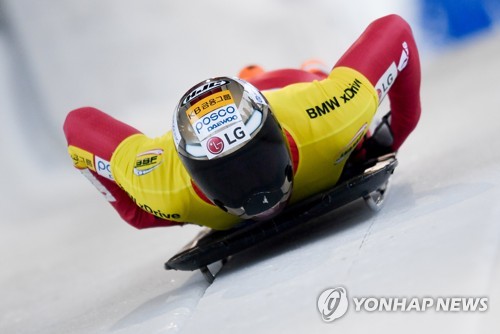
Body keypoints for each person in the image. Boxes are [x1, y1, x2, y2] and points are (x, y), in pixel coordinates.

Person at [63, 14, 421, 230]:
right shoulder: (160, 183)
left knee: (311, 72)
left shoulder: (332, 113)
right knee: (269, 74)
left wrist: (150, 214)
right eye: (226, 177)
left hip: (296, 87)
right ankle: (259, 74)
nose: (256, 195)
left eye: (258, 161)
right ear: (191, 170)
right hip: (293, 107)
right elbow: (394, 31)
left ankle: (294, 69)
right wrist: (388, 138)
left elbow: (78, 126)